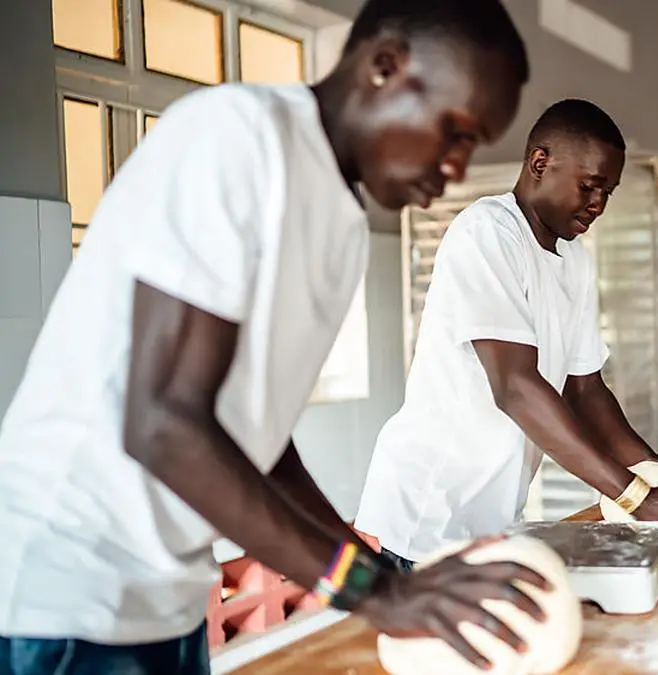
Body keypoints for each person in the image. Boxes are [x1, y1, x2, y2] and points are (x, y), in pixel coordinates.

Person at [0, 1, 546, 673]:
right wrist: (374, 589)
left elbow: (257, 438)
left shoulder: (341, 224)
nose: (457, 166)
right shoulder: (238, 137)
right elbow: (164, 422)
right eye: (454, 131)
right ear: (384, 65)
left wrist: (375, 571)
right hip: (61, 597)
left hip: (163, 602)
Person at [355, 99, 658, 569]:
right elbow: (515, 387)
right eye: (590, 186)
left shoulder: (574, 260)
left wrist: (653, 469)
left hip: (493, 516)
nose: (598, 204)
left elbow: (586, 389)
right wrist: (633, 494)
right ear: (541, 163)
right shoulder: (488, 233)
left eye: (608, 192)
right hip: (421, 516)